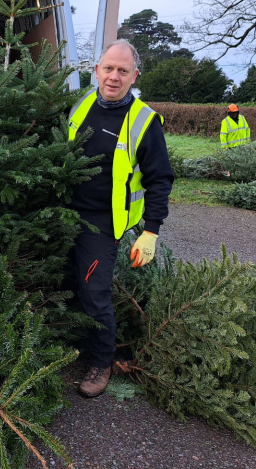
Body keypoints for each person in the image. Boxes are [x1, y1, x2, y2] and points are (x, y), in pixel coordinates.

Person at [67, 40, 174, 398]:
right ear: (96, 70)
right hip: (64, 208)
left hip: (103, 222)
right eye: (108, 68)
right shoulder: (82, 103)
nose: (114, 77)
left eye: (122, 71)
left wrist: (151, 231)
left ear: (134, 76)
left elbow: (161, 179)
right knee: (67, 283)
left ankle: (102, 361)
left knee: (94, 292)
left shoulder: (144, 121)